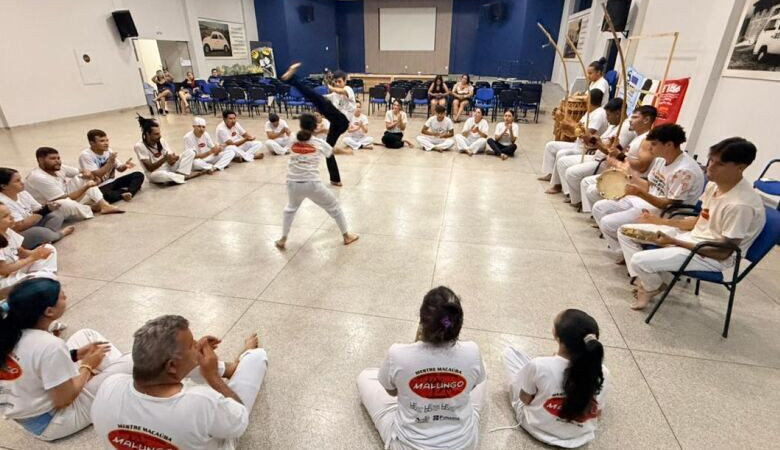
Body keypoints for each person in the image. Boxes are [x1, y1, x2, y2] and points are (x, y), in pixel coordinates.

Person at [617, 137, 765, 309]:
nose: (710, 167)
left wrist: (674, 242)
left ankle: (650, 285)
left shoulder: (740, 204)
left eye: (720, 164)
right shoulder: (714, 186)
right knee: (625, 231)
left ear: (741, 167)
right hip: (692, 238)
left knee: (638, 260)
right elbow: (700, 221)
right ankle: (649, 282)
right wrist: (660, 222)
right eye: (711, 161)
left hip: (710, 255)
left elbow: (723, 252)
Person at [91, 315, 267, 450]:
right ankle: (242, 360)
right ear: (173, 365)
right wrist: (212, 377)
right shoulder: (203, 401)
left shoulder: (108, 387)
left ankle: (228, 368)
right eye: (192, 345)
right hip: (215, 435)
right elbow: (240, 422)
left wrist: (190, 356)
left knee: (153, 366)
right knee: (257, 357)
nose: (197, 346)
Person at [0, 278, 132, 441]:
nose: (65, 296)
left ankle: (116, 384)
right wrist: (87, 366)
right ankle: (122, 387)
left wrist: (76, 355)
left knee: (86, 335)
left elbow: (31, 363)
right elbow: (64, 399)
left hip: (30, 409)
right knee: (132, 360)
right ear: (49, 311)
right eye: (61, 296)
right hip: (55, 420)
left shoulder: (10, 331)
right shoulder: (49, 345)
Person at [357, 286, 487, 450]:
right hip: (464, 445)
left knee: (365, 376)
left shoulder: (398, 354)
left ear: (422, 322)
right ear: (458, 324)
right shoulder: (472, 351)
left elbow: (391, 392)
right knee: (482, 370)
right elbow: (473, 386)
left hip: (408, 446)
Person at [501, 309, 608, 448]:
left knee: (510, 353)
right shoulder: (603, 372)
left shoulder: (539, 365)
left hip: (536, 428)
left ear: (557, 336)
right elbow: (598, 413)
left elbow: (525, 400)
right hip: (580, 437)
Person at [593, 123, 705, 253]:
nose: (650, 148)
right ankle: (624, 250)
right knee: (599, 208)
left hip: (666, 213)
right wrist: (629, 178)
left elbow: (666, 205)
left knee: (607, 223)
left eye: (654, 144)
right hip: (646, 201)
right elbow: (651, 185)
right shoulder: (661, 159)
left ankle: (631, 252)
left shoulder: (684, 171)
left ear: (669, 145)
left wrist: (639, 193)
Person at [275, 114, 358, 250]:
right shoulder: (318, 143)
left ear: (301, 126)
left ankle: (283, 238)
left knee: (290, 209)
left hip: (292, 182)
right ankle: (346, 236)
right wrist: (346, 151)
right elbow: (332, 151)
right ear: (315, 127)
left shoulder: (293, 138)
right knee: (334, 207)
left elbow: (298, 138)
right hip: (312, 183)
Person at [280, 62, 353, 186]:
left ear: (345, 81)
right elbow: (322, 96)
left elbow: (340, 91)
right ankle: (335, 179)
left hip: (342, 121)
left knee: (317, 99)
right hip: (336, 124)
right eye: (336, 81)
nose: (338, 83)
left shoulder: (348, 89)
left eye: (340, 81)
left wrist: (330, 86)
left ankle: (291, 79)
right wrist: (313, 96)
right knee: (328, 149)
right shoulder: (334, 94)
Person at [557, 98, 635, 209]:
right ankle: (574, 196)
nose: (607, 118)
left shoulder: (625, 128)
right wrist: (589, 138)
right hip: (596, 156)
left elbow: (612, 152)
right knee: (563, 162)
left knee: (572, 172)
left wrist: (596, 142)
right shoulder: (614, 125)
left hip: (605, 163)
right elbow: (600, 142)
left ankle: (579, 201)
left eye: (609, 115)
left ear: (618, 113)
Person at [580, 105, 657, 214]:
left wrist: (620, 155)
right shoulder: (638, 136)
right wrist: (616, 147)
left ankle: (601, 214)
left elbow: (643, 166)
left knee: (592, 190)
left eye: (635, 117)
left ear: (646, 120)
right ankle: (596, 214)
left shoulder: (647, 139)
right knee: (586, 183)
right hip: (622, 173)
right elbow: (627, 154)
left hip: (632, 180)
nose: (630, 120)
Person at [540, 89, 608, 194]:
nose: (584, 98)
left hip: (585, 149)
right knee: (551, 146)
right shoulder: (590, 111)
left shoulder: (598, 114)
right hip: (577, 144)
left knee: (561, 154)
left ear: (589, 99)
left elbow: (587, 135)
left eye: (586, 97)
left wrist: (571, 124)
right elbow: (579, 127)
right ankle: (550, 174)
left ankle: (559, 186)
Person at [25, 147, 123, 219]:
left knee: (83, 178)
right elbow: (65, 198)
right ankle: (92, 208)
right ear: (41, 160)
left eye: (58, 158)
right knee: (66, 204)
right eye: (53, 159)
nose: (57, 161)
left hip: (66, 195)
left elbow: (81, 171)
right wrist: (85, 188)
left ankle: (103, 205)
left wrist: (87, 173)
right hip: (51, 206)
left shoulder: (59, 167)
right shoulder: (38, 177)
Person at [0, 168, 74, 249]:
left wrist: (48, 207)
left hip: (32, 224)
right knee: (37, 232)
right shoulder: (3, 203)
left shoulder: (22, 193)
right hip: (18, 234)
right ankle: (58, 235)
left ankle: (48, 237)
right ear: (4, 186)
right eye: (17, 181)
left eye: (21, 179)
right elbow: (18, 226)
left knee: (57, 214)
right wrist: (45, 210)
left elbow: (37, 208)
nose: (22, 183)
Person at [79, 129, 145, 204]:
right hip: (98, 187)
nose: (106, 143)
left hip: (112, 182)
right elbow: (97, 174)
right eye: (102, 141)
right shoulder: (85, 156)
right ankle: (126, 191)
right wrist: (110, 162)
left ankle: (129, 192)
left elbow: (120, 168)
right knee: (106, 196)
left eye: (107, 140)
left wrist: (125, 165)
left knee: (138, 175)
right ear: (92, 143)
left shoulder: (108, 151)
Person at [0, 205, 58, 290]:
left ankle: (39, 278)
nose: (12, 217)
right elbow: (4, 270)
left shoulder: (8, 231)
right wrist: (32, 258)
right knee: (40, 277)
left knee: (49, 248)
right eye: (5, 216)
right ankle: (40, 277)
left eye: (10, 214)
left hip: (15, 271)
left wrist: (39, 252)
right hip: (3, 281)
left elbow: (22, 252)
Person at [133, 116, 204, 185]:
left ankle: (180, 174)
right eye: (156, 134)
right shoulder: (139, 146)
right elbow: (150, 168)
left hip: (168, 167)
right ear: (147, 134)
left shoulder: (161, 140)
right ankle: (183, 176)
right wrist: (165, 158)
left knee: (190, 152)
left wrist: (174, 158)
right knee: (161, 175)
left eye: (159, 133)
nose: (159, 136)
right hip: (155, 173)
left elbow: (170, 158)